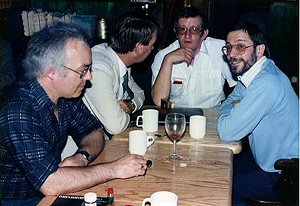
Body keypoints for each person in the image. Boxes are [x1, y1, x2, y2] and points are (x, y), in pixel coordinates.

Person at [0, 22, 148, 206]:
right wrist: (115, 169)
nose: (89, 77)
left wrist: (82, 157)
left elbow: (94, 132)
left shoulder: (65, 96)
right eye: (83, 70)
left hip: (50, 193)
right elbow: (51, 183)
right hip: (18, 201)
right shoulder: (18, 110)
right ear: (51, 72)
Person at [217, 22, 299, 205]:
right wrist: (230, 106)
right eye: (228, 47)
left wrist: (226, 109)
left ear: (259, 49)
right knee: (218, 165)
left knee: (223, 186)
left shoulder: (265, 82)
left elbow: (226, 132)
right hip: (267, 160)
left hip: (287, 172)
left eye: (240, 46)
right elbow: (232, 97)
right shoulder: (259, 71)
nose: (231, 54)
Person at [83, 12, 158, 137]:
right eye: (152, 44)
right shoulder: (99, 69)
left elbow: (140, 93)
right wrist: (123, 114)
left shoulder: (120, 59)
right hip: (82, 148)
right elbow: (116, 126)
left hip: (106, 139)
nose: (153, 48)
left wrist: (131, 105)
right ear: (138, 47)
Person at [151, 6, 236, 108]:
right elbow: (159, 101)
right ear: (176, 33)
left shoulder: (220, 50)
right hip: (178, 117)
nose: (187, 35)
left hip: (211, 116)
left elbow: (239, 88)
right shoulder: (163, 56)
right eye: (182, 29)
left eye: (194, 30)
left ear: (204, 34)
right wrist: (168, 61)